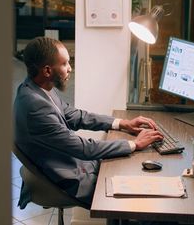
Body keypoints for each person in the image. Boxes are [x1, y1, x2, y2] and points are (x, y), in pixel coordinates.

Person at [14, 37, 163, 208]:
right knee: (139, 199)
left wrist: (122, 123)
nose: (70, 69)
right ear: (47, 71)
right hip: (67, 179)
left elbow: (76, 116)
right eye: (65, 64)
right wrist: (135, 144)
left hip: (71, 163)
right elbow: (85, 149)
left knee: (135, 175)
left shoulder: (36, 89)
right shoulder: (35, 107)